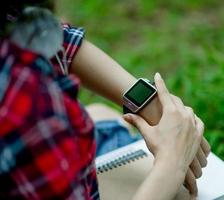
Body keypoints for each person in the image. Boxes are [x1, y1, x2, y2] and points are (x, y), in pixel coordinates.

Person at [0, 1, 211, 199]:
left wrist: (148, 102)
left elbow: (55, 39)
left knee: (103, 115)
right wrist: (171, 164)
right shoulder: (27, 107)